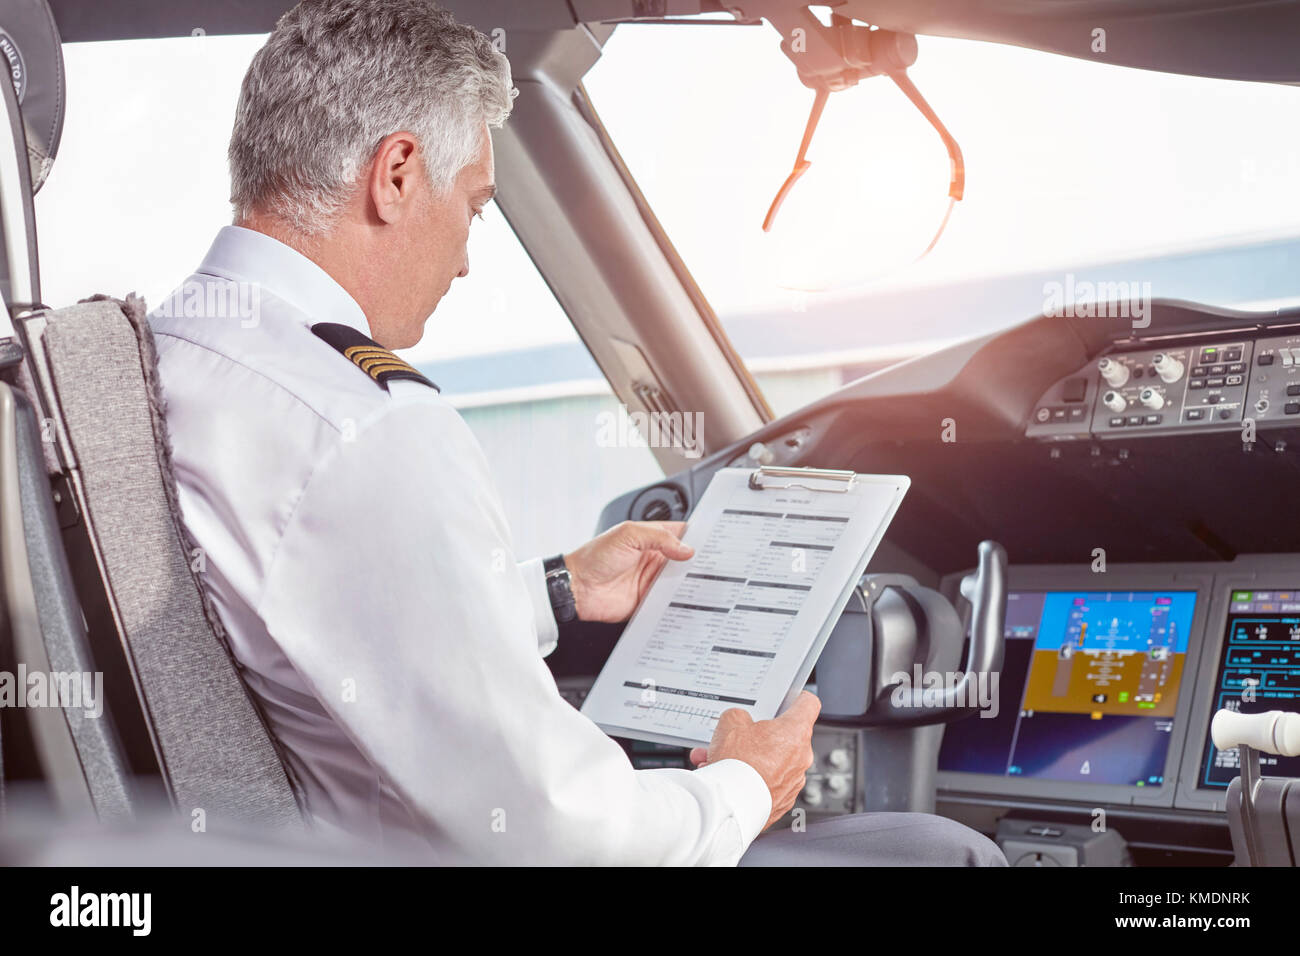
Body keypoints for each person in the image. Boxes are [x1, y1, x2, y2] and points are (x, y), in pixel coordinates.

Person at [148, 0, 1005, 866]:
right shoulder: (368, 427)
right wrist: (747, 785)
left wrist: (555, 589)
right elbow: (558, 832)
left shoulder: (170, 358)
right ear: (398, 173)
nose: (465, 259)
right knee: (940, 852)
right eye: (475, 207)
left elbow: (323, 613)